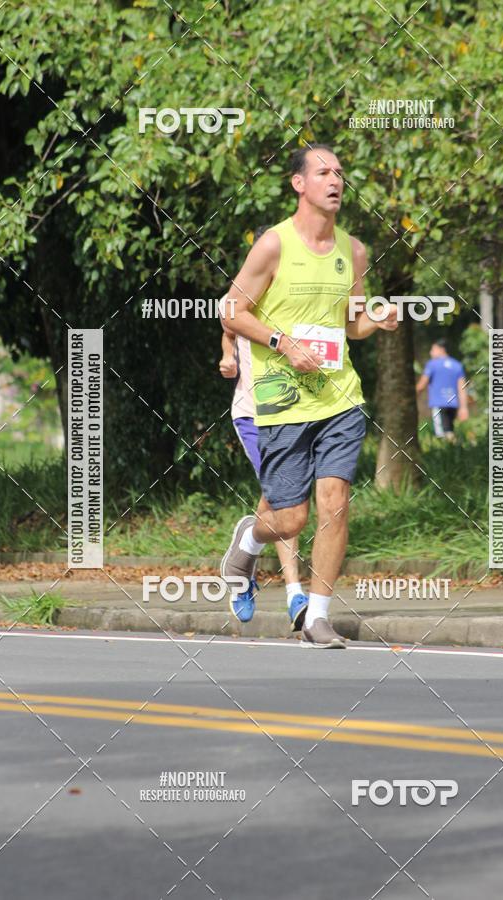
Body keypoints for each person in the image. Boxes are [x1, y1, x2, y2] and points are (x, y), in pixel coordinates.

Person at [219, 143, 398, 648]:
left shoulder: (354, 251)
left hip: (340, 397)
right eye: (323, 172)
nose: (335, 180)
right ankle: (250, 538)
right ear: (299, 184)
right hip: (281, 399)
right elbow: (232, 311)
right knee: (292, 517)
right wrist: (281, 343)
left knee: (335, 503)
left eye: (340, 172)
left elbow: (352, 323)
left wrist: (377, 321)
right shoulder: (273, 246)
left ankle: (317, 616)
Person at [218, 227, 307, 631]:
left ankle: (243, 559)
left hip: (294, 411)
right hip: (253, 414)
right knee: (283, 498)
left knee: (283, 501)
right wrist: (228, 360)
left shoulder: (305, 299)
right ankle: (294, 594)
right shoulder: (246, 296)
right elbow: (229, 328)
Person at [416, 338, 468, 440]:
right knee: (449, 430)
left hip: (439, 405)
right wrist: (464, 408)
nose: (431, 353)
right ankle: (454, 451)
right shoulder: (457, 365)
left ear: (442, 349)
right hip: (453, 404)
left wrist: (410, 396)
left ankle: (449, 452)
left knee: (441, 435)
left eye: (433, 350)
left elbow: (422, 385)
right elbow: (462, 388)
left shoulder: (432, 364)